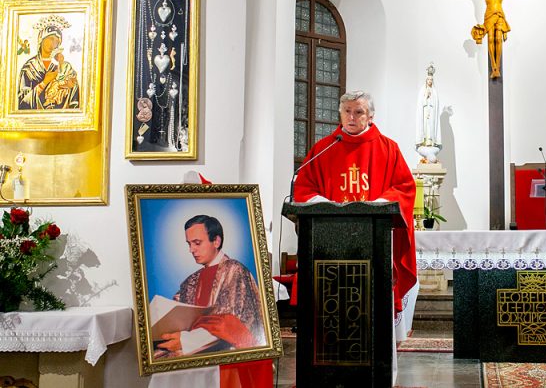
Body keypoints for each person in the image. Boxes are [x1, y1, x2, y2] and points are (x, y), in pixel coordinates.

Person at [293, 90, 417, 318]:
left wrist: (378, 206)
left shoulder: (388, 149)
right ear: (340, 114)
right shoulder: (323, 149)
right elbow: (303, 188)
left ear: (370, 116)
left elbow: (404, 188)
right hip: (329, 243)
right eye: (346, 111)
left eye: (358, 112)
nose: (351, 117)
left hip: (374, 241)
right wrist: (325, 205)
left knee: (370, 305)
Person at [156, 215, 265, 357]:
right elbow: (175, 316)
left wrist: (186, 341)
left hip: (222, 359)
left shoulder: (234, 270)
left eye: (197, 243)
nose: (191, 250)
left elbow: (233, 325)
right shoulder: (190, 281)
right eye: (189, 244)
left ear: (216, 241)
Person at [444, 0, 542, 78]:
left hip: (499, 14)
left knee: (498, 40)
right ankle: (494, 67)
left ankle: (498, 68)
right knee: (490, 39)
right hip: (489, 15)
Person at [18, 15, 80, 110]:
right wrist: (44, 82)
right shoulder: (29, 68)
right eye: (51, 39)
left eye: (57, 41)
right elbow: (22, 104)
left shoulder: (63, 67)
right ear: (41, 39)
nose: (54, 43)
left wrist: (69, 84)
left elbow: (74, 99)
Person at [415, 63, 442, 163]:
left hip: (431, 114)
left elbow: (436, 104)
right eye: (428, 80)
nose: (430, 81)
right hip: (425, 113)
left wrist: (431, 101)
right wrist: (426, 97)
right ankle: (425, 143)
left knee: (431, 129)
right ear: (426, 81)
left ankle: (431, 143)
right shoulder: (423, 90)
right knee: (425, 128)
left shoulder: (434, 91)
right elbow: (420, 104)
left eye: (431, 80)